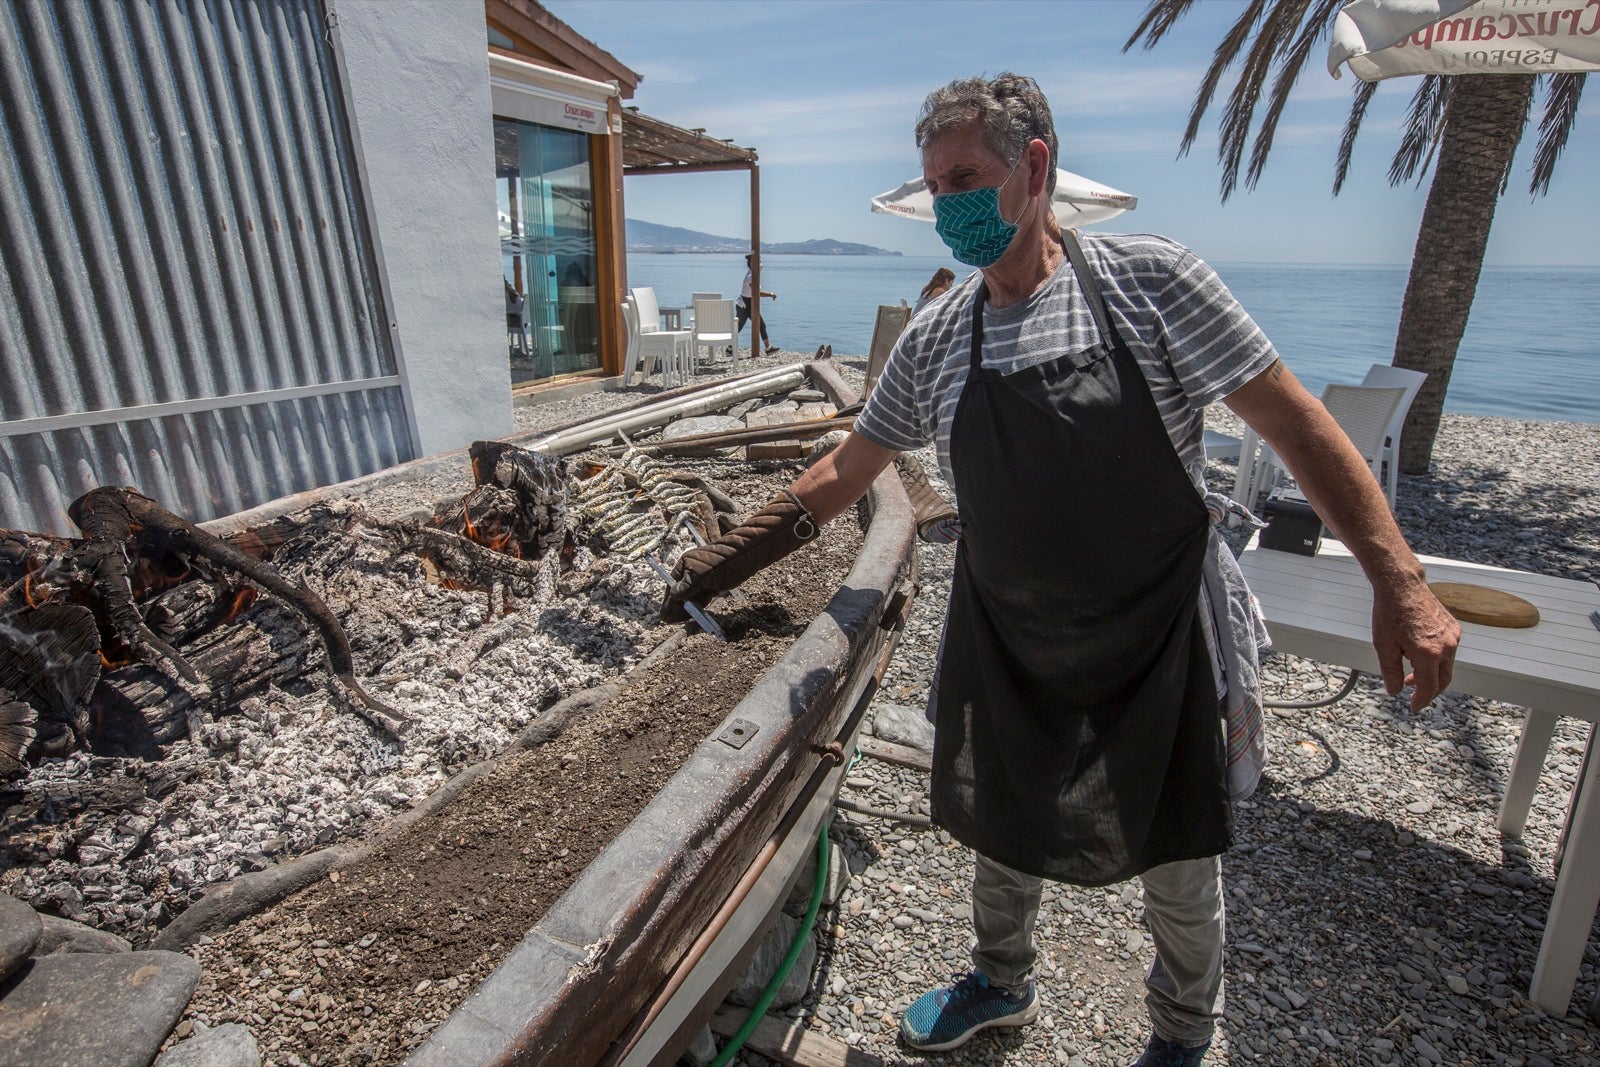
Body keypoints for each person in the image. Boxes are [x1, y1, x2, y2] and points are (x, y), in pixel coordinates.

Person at [663, 74, 1458, 1067]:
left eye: (965, 177)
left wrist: (1402, 581)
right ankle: (999, 978)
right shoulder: (939, 335)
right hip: (1007, 631)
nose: (946, 202)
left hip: (1155, 632)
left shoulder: (1150, 284)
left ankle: (1181, 1029)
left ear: (1033, 167)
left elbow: (1296, 422)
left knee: (1175, 842)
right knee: (1005, 815)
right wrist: (717, 562)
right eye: (933, 183)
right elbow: (848, 467)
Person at [737, 253, 780, 355]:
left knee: (760, 325)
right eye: (759, 261)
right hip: (744, 305)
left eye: (760, 261)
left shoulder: (753, 274)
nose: (761, 264)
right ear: (752, 263)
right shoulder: (751, 276)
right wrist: (771, 294)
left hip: (749, 304)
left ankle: (768, 348)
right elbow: (757, 293)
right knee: (737, 327)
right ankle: (768, 348)